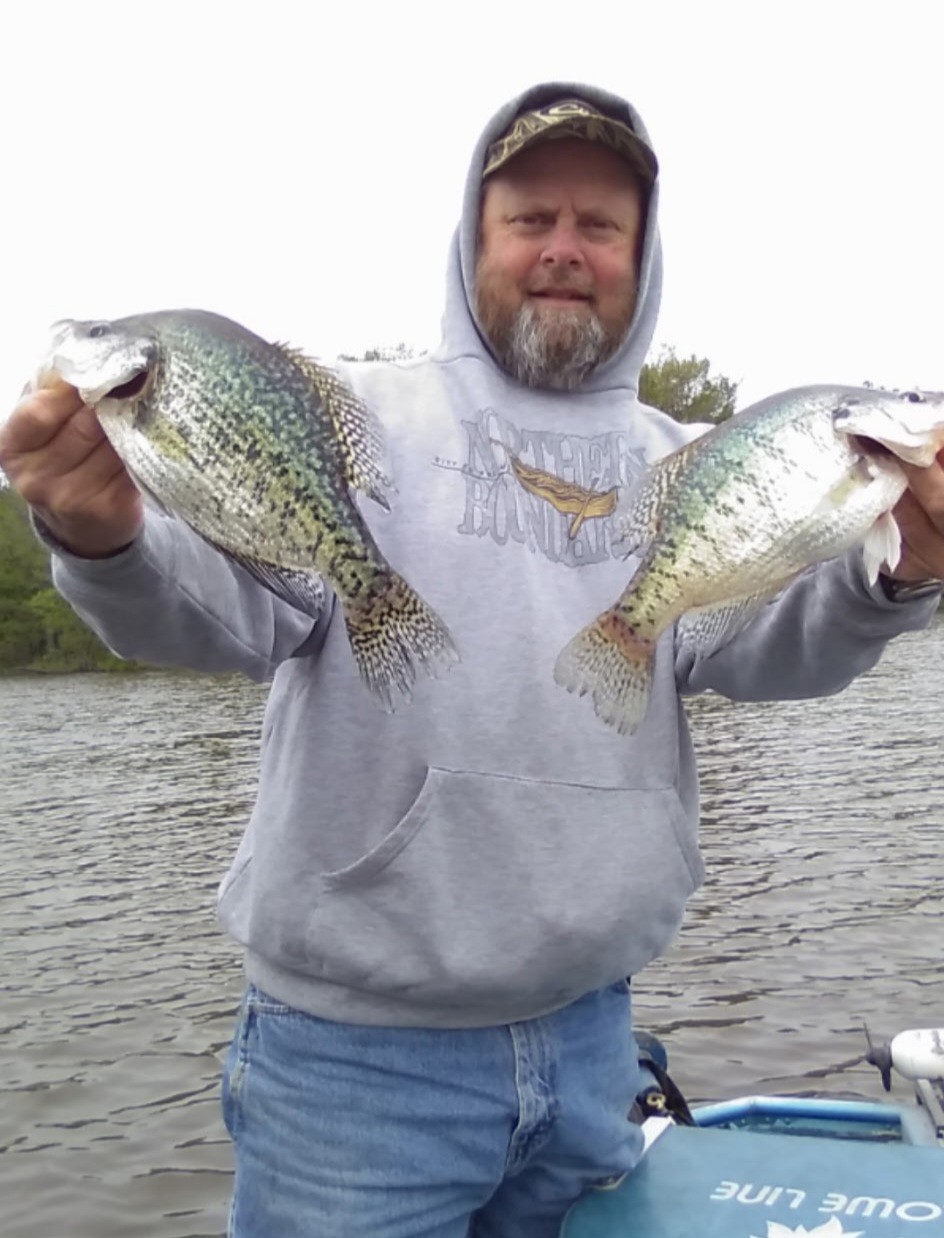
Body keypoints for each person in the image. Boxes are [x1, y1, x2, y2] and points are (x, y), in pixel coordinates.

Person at [2, 82, 943, 1238]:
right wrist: (102, 538)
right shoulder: (355, 415)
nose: (562, 250)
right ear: (472, 242)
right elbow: (210, 615)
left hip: (593, 1039)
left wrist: (894, 576)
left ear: (641, 261)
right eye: (528, 219)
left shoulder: (682, 462)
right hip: (352, 1071)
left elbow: (755, 645)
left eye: (598, 226)